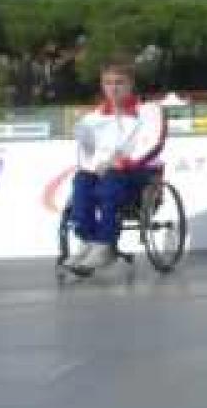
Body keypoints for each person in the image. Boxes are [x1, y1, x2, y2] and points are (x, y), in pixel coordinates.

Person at [62, 60, 167, 272]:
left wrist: (123, 162)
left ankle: (105, 245)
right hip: (105, 173)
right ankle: (89, 241)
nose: (113, 88)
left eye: (120, 82)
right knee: (82, 181)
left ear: (131, 84)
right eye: (108, 83)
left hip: (140, 173)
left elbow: (154, 143)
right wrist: (94, 166)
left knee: (111, 179)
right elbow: (86, 153)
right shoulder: (93, 117)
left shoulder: (150, 111)